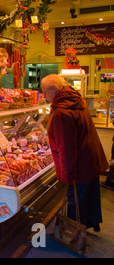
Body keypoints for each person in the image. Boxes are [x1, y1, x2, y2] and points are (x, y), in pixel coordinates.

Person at [41, 74, 108, 232]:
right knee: (89, 193)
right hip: (90, 157)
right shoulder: (75, 99)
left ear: (53, 89)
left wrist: (67, 174)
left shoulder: (61, 112)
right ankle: (89, 223)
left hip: (79, 163)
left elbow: (66, 147)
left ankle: (74, 232)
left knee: (76, 198)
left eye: (44, 91)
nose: (43, 96)